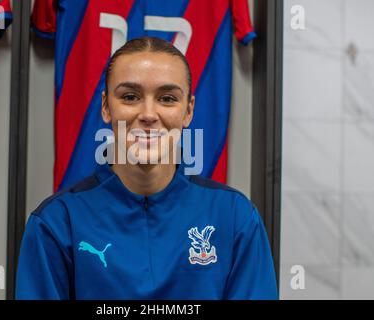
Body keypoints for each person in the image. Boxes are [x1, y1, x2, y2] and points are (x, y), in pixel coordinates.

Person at [15, 36, 278, 300]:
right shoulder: (56, 223)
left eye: (167, 98)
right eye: (130, 97)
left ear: (189, 111)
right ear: (106, 107)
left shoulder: (235, 218)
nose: (149, 114)